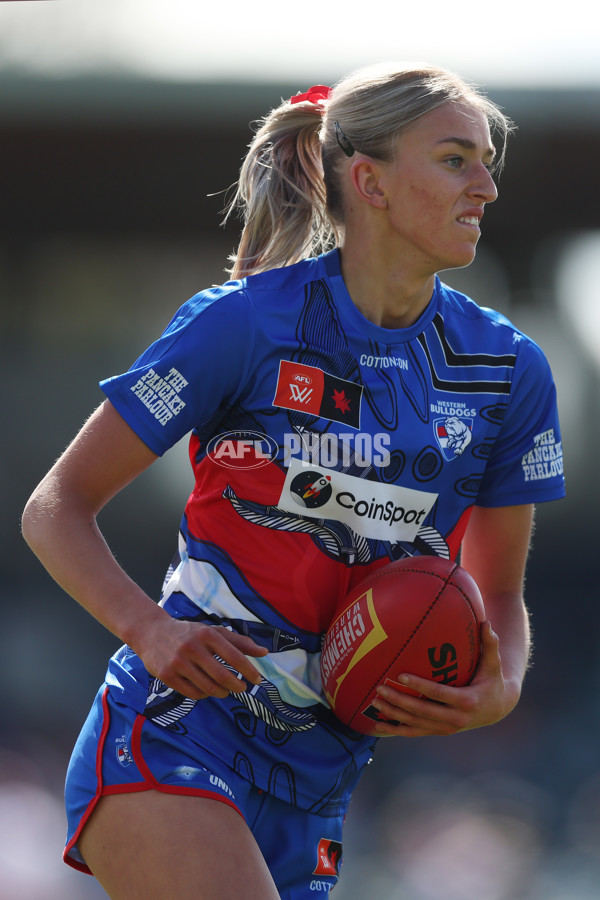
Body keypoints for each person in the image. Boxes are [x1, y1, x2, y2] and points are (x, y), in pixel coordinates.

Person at [22, 62, 565, 899]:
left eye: (488, 161)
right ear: (369, 180)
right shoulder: (241, 323)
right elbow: (55, 509)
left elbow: (498, 598)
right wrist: (150, 631)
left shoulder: (509, 371)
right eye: (457, 159)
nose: (487, 186)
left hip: (321, 788)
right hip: (174, 736)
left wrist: (503, 684)